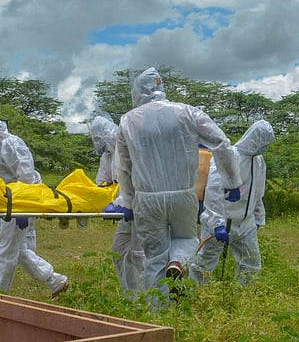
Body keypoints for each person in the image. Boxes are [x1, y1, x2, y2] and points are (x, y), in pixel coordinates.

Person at [112, 67, 242, 300]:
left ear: (137, 92)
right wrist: (232, 181)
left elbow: (124, 167)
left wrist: (129, 203)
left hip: (147, 199)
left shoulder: (128, 121)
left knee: (154, 257)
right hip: (183, 195)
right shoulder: (188, 113)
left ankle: (157, 310)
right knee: (186, 239)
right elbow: (222, 143)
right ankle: (177, 262)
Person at [0, 107, 69, 299]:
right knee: (20, 250)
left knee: (7, 252)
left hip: (19, 203)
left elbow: (26, 176)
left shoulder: (11, 144)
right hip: (8, 204)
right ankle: (55, 280)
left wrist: (22, 207)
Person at [190, 120, 274, 286]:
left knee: (251, 264)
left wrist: (258, 217)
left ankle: (243, 295)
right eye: (263, 142)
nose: (264, 147)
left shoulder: (258, 161)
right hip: (222, 222)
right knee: (204, 265)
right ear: (254, 139)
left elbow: (258, 191)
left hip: (246, 224)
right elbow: (213, 190)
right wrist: (217, 223)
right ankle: (196, 293)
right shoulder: (229, 155)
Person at [91, 115, 144, 296]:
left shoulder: (128, 149)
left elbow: (133, 180)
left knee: (138, 253)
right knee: (119, 250)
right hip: (124, 211)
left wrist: (121, 202)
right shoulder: (107, 157)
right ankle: (131, 294)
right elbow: (101, 183)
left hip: (138, 207)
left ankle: (150, 296)